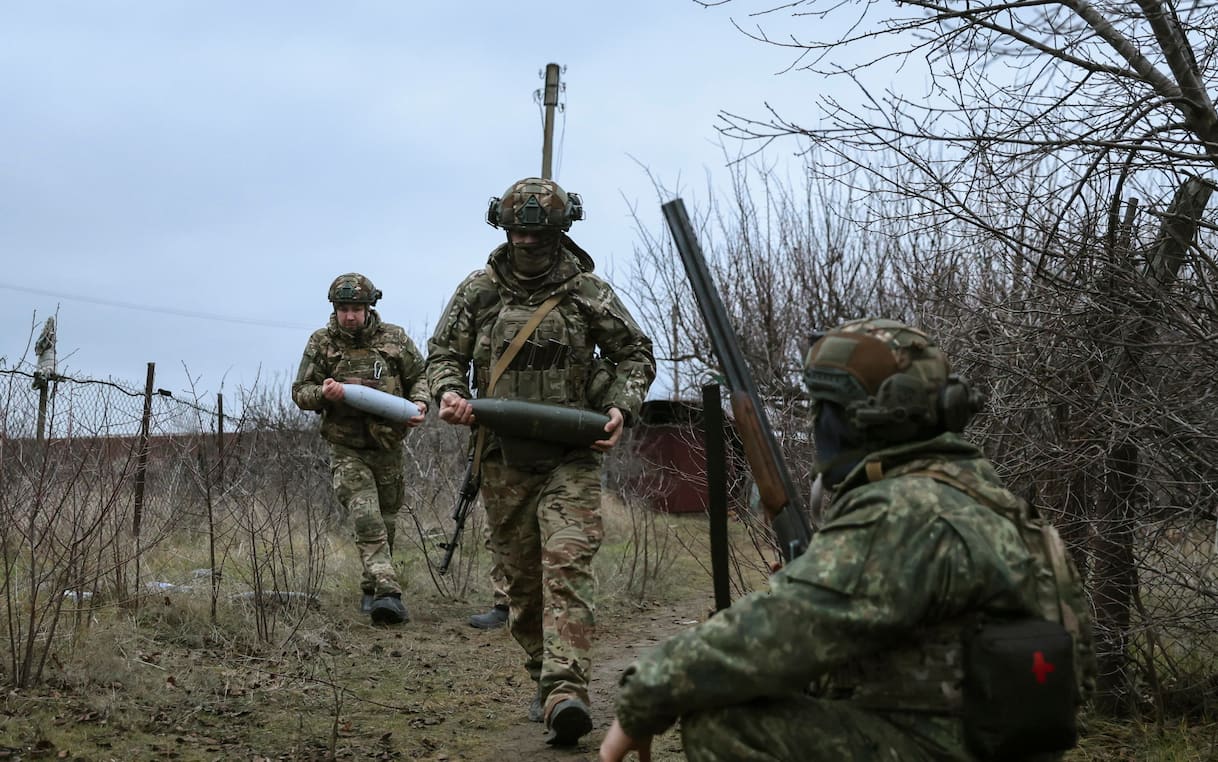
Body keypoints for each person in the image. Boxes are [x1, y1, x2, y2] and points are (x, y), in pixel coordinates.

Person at [600, 318, 1096, 762]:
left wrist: (647, 692)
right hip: (992, 742)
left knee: (724, 722)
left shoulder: (907, 511)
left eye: (825, 408)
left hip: (952, 745)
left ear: (868, 417)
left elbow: (779, 633)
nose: (817, 424)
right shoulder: (989, 500)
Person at [427, 177, 655, 746]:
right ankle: (543, 675)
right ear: (504, 230)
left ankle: (565, 690)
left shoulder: (587, 293)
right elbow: (443, 356)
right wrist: (449, 394)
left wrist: (621, 407)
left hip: (571, 456)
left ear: (560, 233)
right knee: (523, 588)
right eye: (517, 232)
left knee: (568, 563)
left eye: (538, 233)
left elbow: (635, 354)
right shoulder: (478, 292)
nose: (526, 243)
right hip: (503, 458)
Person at [292, 273, 429, 626]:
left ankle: (371, 586)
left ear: (369, 308)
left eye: (356, 309)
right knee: (365, 515)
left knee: (386, 519)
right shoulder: (321, 343)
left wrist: (419, 403)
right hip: (346, 447)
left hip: (387, 446)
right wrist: (324, 393)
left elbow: (420, 377)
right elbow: (300, 392)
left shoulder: (394, 339)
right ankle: (389, 594)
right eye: (343, 309)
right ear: (334, 309)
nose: (349, 316)